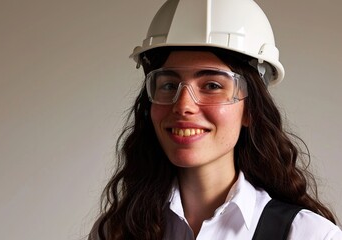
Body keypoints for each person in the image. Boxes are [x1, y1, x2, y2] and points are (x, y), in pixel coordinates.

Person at [89, 0, 342, 239]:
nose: (183, 106)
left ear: (251, 109)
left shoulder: (309, 234)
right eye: (168, 85)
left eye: (211, 85)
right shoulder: (116, 231)